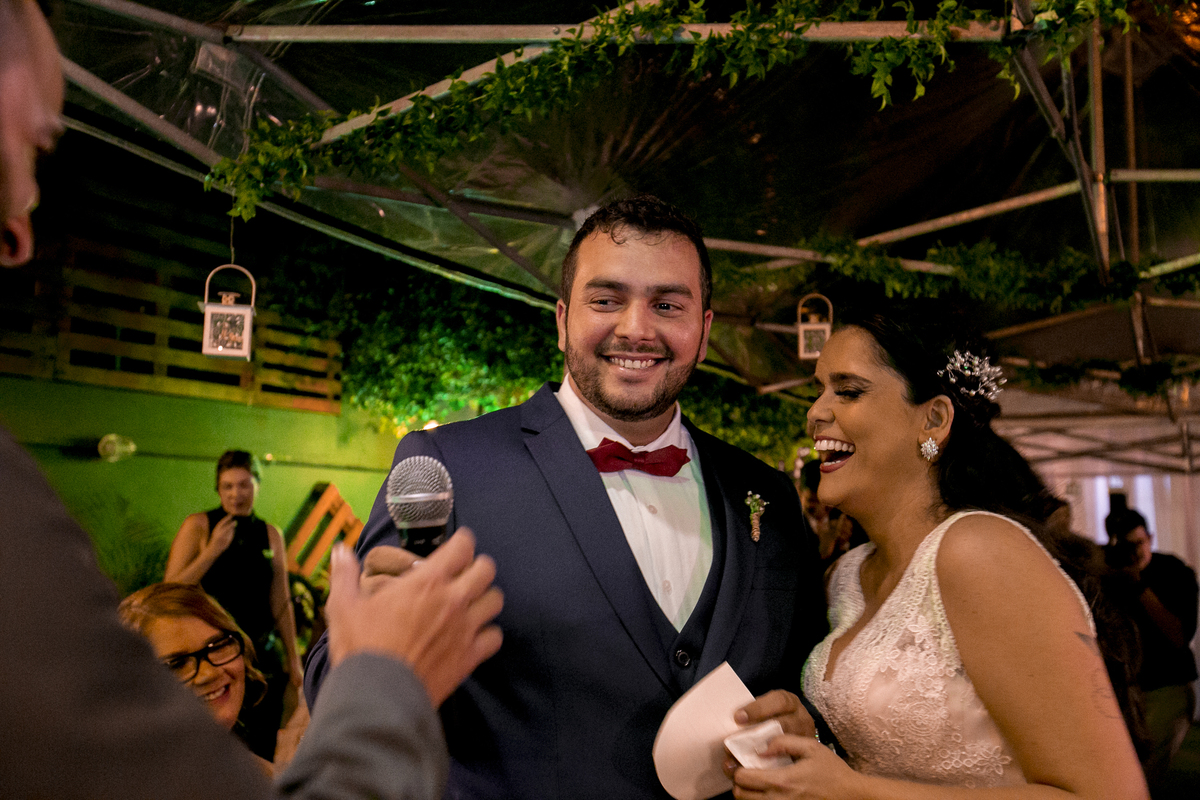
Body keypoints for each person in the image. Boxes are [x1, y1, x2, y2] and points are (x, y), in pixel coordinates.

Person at [0, 2, 503, 797]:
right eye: (30, 148)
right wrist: (386, 676)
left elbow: (278, 611)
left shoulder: (269, 532)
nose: (22, 229)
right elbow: (174, 589)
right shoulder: (185, 528)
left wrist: (306, 686)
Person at [305, 194, 828, 799]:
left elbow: (805, 686)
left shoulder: (765, 492)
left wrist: (803, 724)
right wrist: (370, 651)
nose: (637, 327)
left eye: (668, 305)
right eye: (606, 300)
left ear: (704, 332)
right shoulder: (449, 465)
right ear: (562, 321)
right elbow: (330, 690)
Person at [729, 308, 1148, 799]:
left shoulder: (978, 553)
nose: (816, 412)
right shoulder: (846, 577)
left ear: (933, 419)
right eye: (817, 389)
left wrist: (853, 793)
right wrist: (814, 740)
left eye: (848, 391)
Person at [167, 450, 302, 760]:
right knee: (224, 745)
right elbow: (170, 590)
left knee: (264, 743)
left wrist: (294, 660)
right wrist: (211, 551)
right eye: (227, 486)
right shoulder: (199, 525)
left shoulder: (270, 534)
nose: (236, 494)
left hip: (263, 656)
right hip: (217, 656)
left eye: (244, 485)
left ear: (256, 485)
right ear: (218, 488)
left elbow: (280, 598)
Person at [1105, 501, 1198, 785]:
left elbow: (1178, 636)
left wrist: (1139, 587)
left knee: (1141, 773)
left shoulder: (1174, 572)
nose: (1135, 553)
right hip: (1128, 689)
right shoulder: (1109, 577)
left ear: (1150, 538)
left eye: (1140, 543)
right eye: (1126, 546)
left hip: (1168, 686)